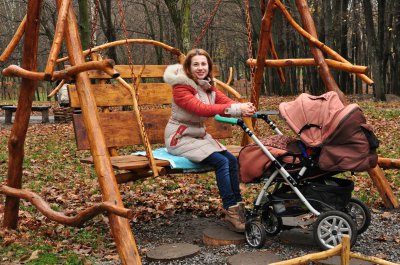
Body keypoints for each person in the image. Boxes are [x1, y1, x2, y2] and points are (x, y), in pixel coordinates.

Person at [163, 48, 256, 232]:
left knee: (230, 159)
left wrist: (242, 107)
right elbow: (202, 109)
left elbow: (224, 101)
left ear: (209, 66)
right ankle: (230, 211)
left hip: (198, 136)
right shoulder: (181, 88)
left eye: (203, 64)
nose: (200, 68)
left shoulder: (207, 86)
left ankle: (238, 205)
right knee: (221, 162)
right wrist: (237, 109)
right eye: (195, 64)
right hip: (180, 137)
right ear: (188, 67)